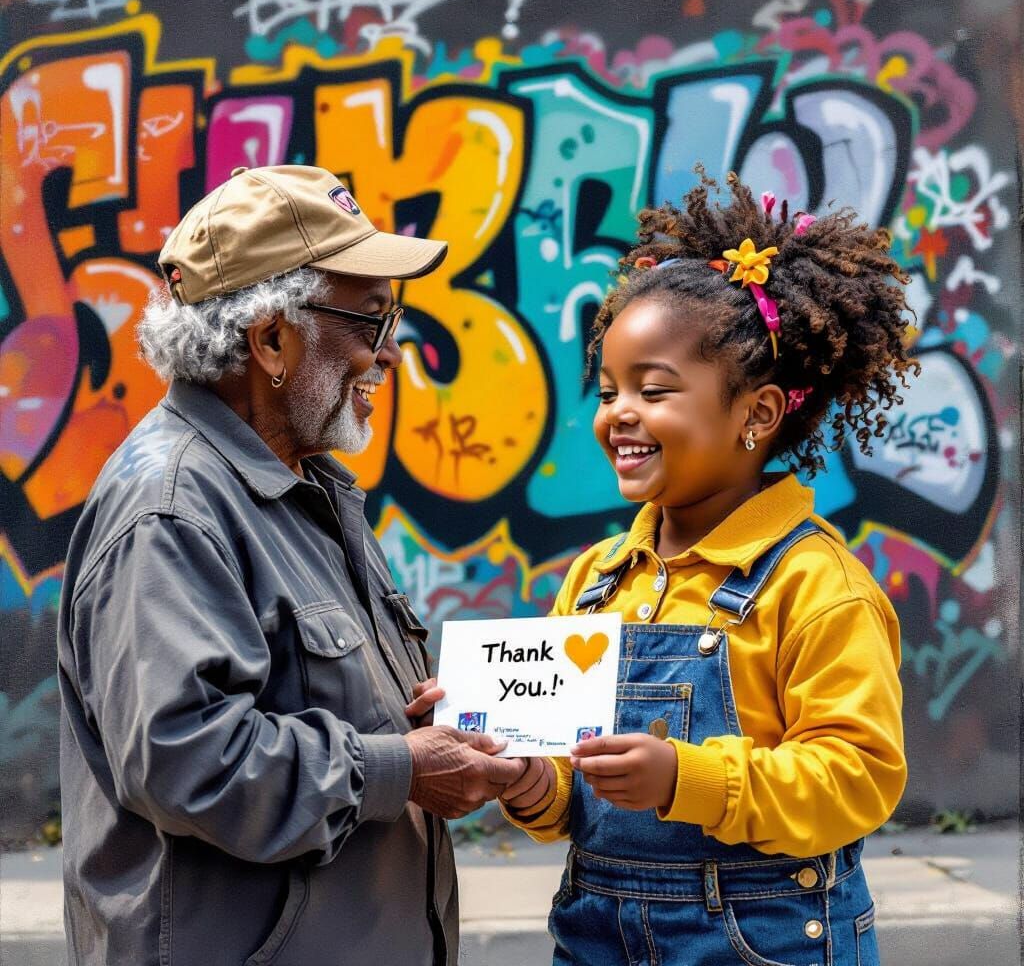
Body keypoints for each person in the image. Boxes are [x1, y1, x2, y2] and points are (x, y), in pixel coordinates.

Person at [57, 164, 532, 966]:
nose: (390, 354)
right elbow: (186, 759)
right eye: (371, 321)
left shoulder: (302, 484)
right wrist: (399, 771)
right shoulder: (172, 508)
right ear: (272, 338)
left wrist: (423, 725)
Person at [494, 172, 911, 965]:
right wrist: (524, 778)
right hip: (596, 936)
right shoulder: (596, 578)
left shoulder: (816, 586)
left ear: (756, 414)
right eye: (610, 388)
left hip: (763, 941)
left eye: (655, 391)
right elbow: (562, 786)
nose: (619, 412)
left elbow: (857, 776)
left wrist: (687, 777)